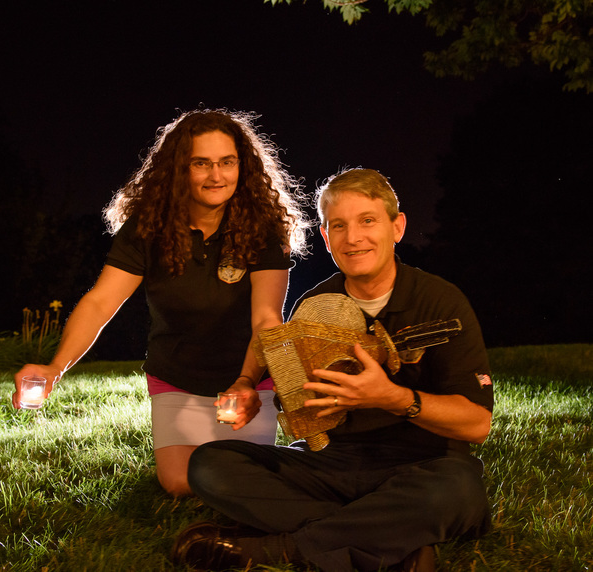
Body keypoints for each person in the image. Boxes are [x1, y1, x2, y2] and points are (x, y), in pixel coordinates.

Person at [173, 168, 494, 571]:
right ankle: (391, 541)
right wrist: (248, 385)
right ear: (326, 237)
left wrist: (392, 398)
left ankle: (281, 549)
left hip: (422, 464)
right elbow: (285, 371)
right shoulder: (315, 304)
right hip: (332, 463)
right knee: (210, 465)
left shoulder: (440, 301)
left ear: (397, 227)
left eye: (367, 221)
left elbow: (476, 425)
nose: (352, 237)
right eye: (338, 226)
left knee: (459, 489)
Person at [12, 109, 309, 496]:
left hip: (247, 382)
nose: (216, 175)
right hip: (177, 381)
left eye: (227, 162)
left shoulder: (264, 229)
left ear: (243, 166)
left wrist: (246, 382)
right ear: (179, 169)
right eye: (201, 163)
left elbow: (267, 318)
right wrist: (56, 367)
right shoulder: (147, 228)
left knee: (243, 474)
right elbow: (101, 302)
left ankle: (298, 459)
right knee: (180, 483)